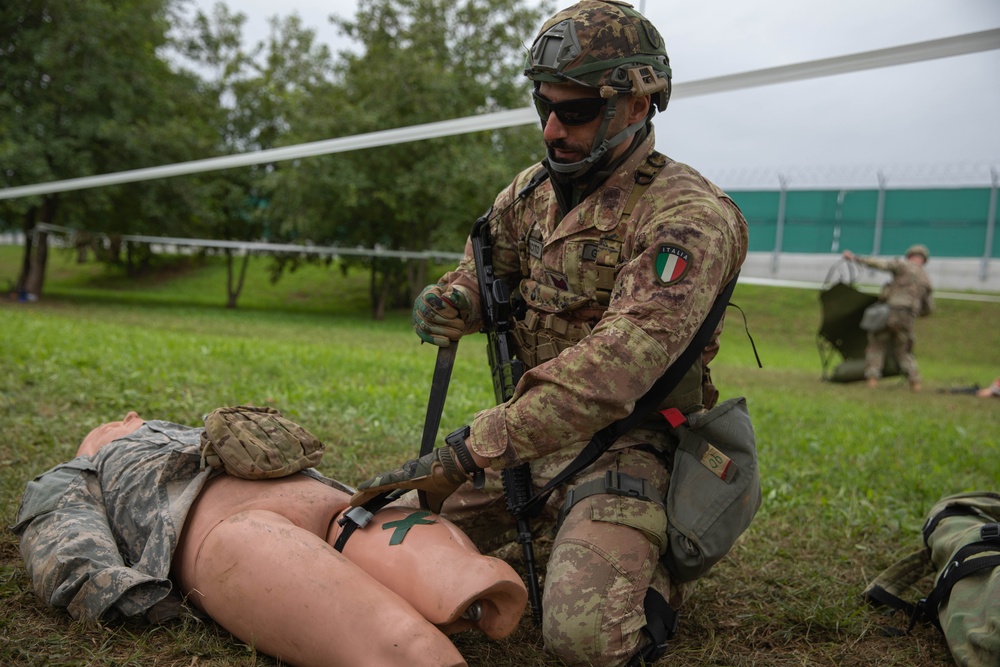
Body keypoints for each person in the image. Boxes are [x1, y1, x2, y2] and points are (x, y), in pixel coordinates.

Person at [351, 2, 750, 665]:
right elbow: (487, 268)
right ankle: (552, 520)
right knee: (384, 541)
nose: (554, 128)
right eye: (544, 106)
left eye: (578, 110)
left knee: (584, 638)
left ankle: (653, 570)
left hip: (631, 447)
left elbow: (618, 369)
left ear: (639, 103)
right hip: (527, 448)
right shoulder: (533, 191)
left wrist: (472, 450)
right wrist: (455, 298)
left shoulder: (688, 219)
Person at [14, 410, 528, 667]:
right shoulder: (86, 468)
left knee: (382, 627)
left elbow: (62, 536)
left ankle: (458, 593)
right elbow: (66, 532)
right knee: (387, 626)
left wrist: (115, 588)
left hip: (241, 526)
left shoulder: (98, 464)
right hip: (320, 508)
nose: (114, 422)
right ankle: (466, 590)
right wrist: (117, 587)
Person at [843, 244, 934, 391]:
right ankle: (915, 382)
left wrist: (855, 258)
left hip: (889, 312)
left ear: (910, 256)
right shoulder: (926, 279)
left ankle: (872, 380)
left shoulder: (903, 266)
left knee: (876, 345)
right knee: (903, 350)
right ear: (924, 260)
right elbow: (928, 308)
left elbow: (881, 264)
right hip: (907, 317)